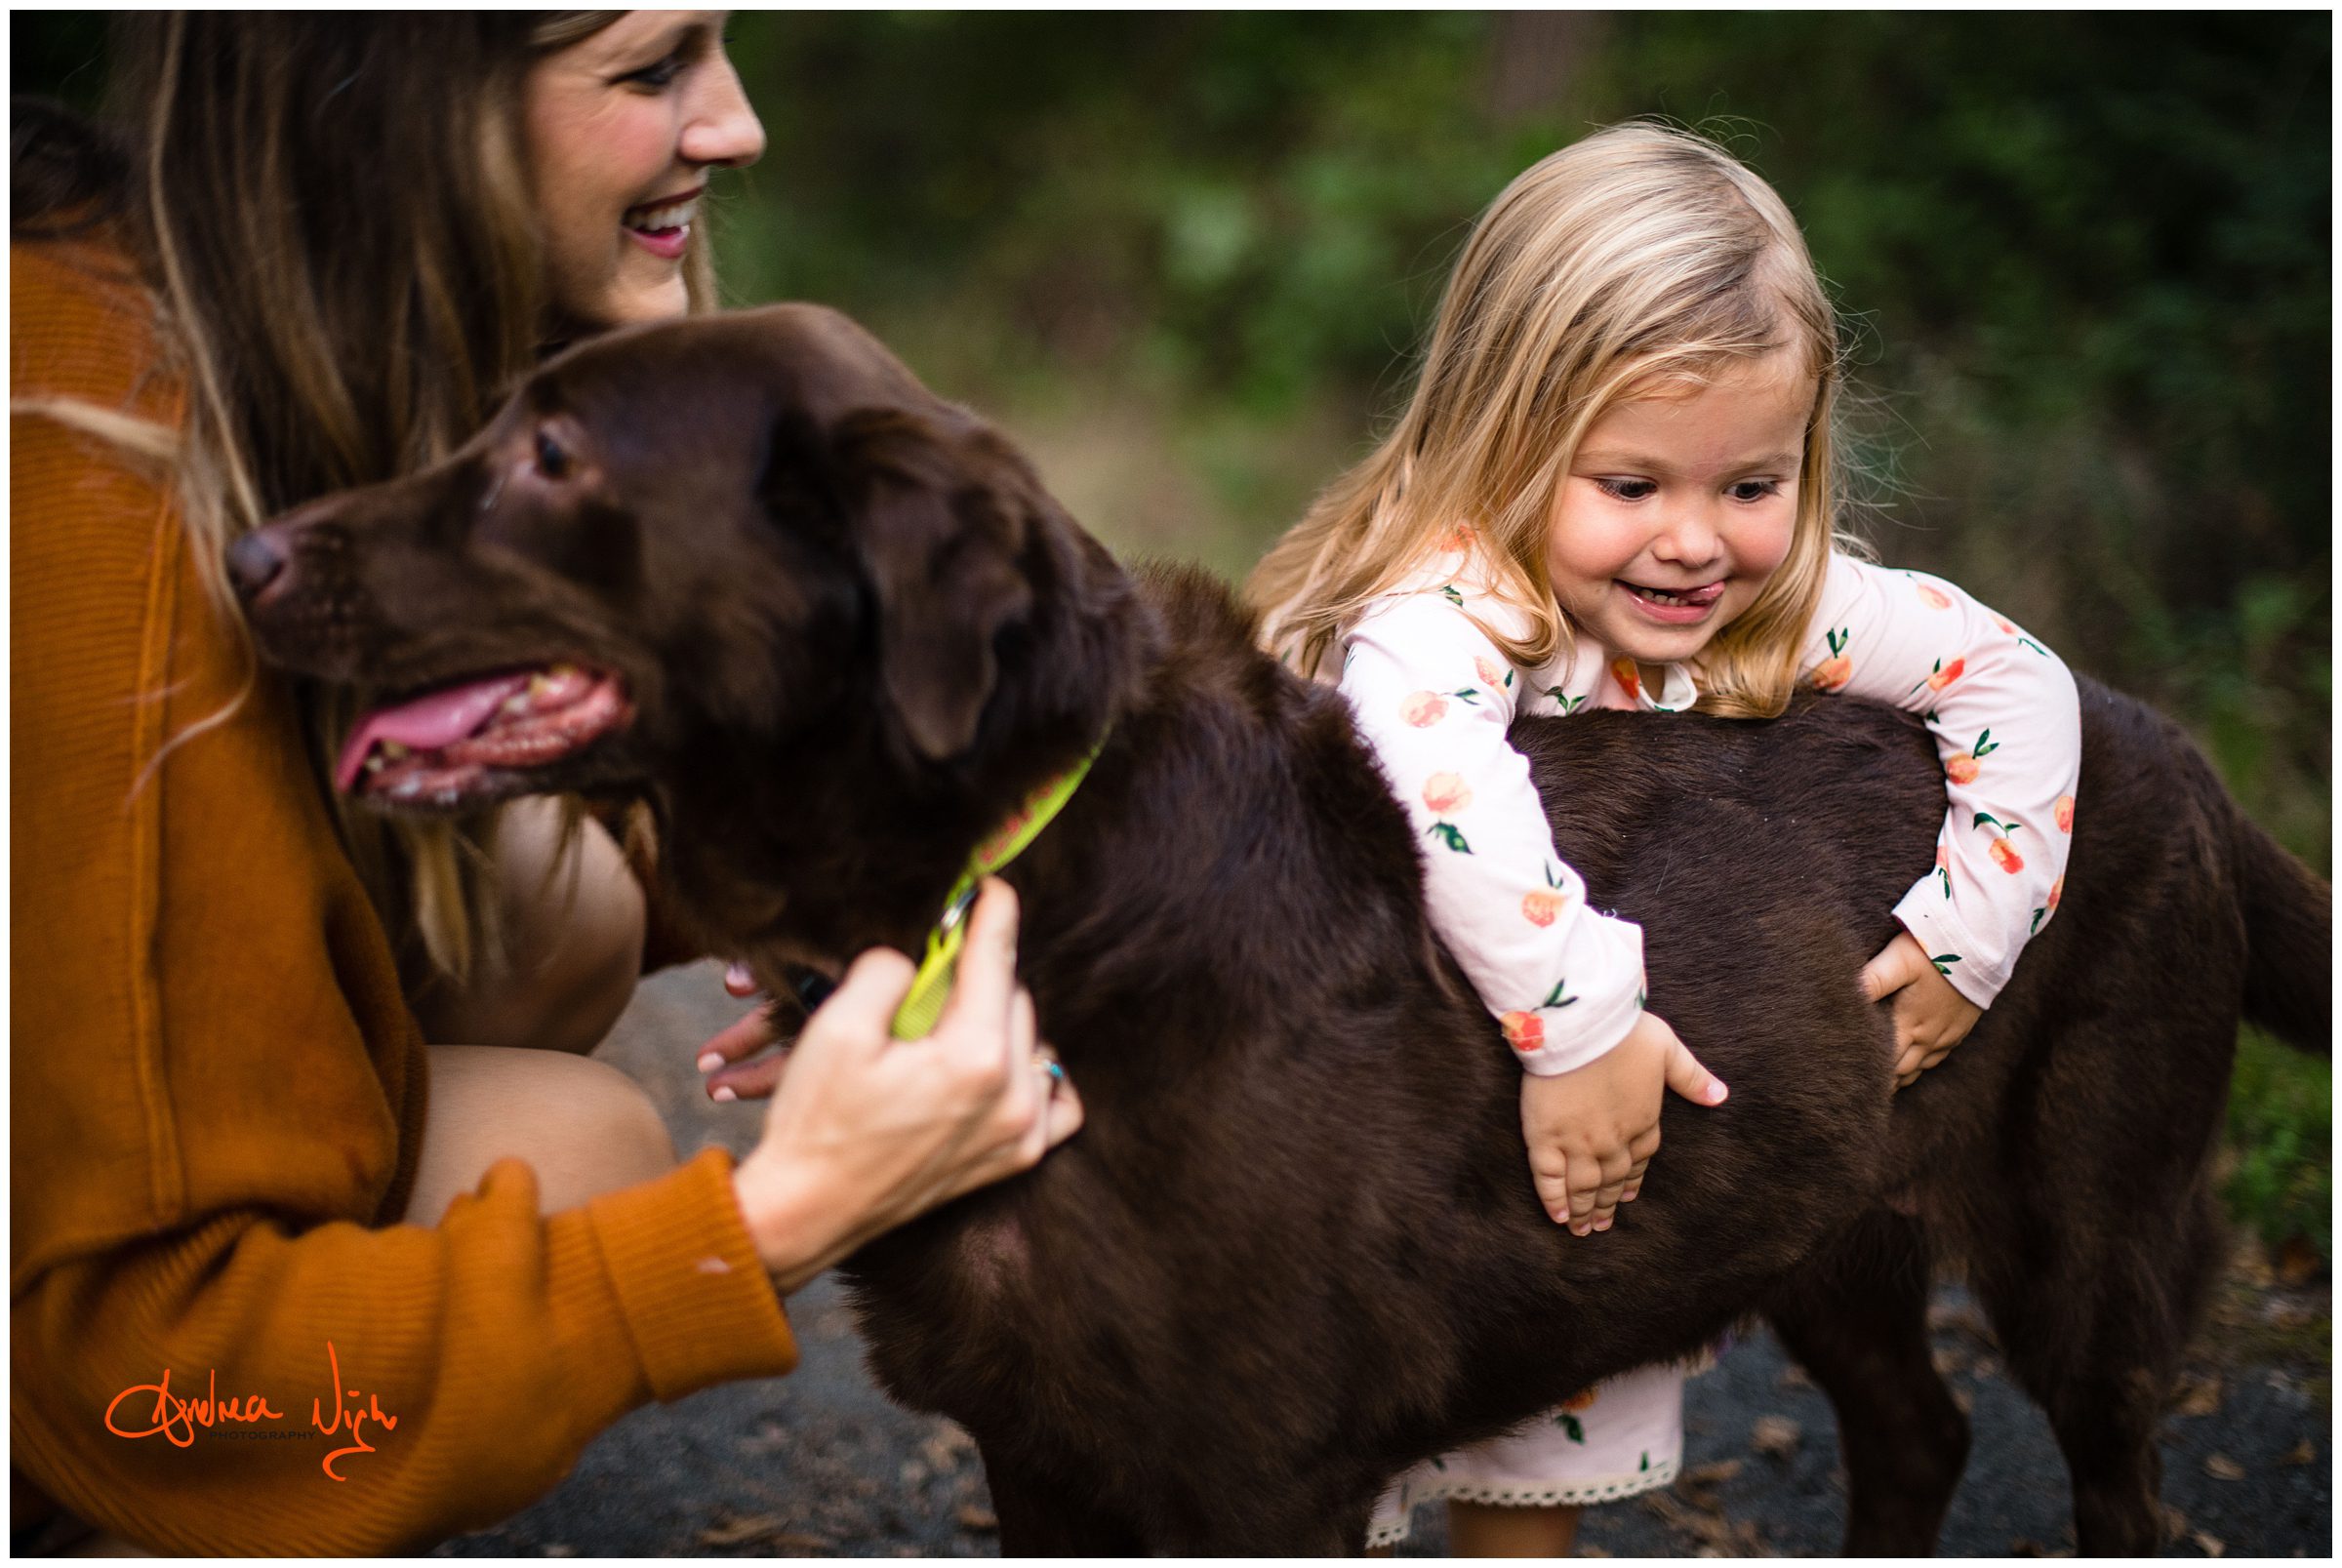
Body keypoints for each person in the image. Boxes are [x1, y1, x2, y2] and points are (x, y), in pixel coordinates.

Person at [11, 12, 1078, 1554]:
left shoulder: (341, 361)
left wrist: (883, 888)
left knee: (553, 907)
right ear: (376, 110)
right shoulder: (96, 501)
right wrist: (775, 1217)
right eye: (651, 71)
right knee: (578, 1165)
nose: (737, 125)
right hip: (116, 1376)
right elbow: (134, 1375)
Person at [1248, 123, 2080, 1555]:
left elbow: (2020, 682)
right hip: (1380, 1117)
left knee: (1538, 1447)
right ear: (1506, 437)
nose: (1694, 542)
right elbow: (1432, 773)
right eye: (1631, 487)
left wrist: (1972, 929)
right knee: (1336, 1438)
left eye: (1749, 487)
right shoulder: (1451, 605)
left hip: (1585, 1186)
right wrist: (1579, 1026)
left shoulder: (1775, 604)